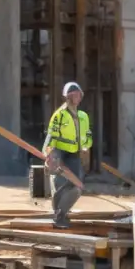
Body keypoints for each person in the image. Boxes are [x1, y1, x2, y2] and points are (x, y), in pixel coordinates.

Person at [43, 82, 92, 228]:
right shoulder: (60, 114)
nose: (76, 97)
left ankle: (60, 211)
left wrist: (86, 147)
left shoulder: (83, 116)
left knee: (77, 186)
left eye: (78, 94)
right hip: (60, 153)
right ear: (67, 97)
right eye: (73, 94)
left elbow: (88, 135)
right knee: (63, 183)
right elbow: (50, 136)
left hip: (74, 154)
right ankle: (59, 215)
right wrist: (49, 153)